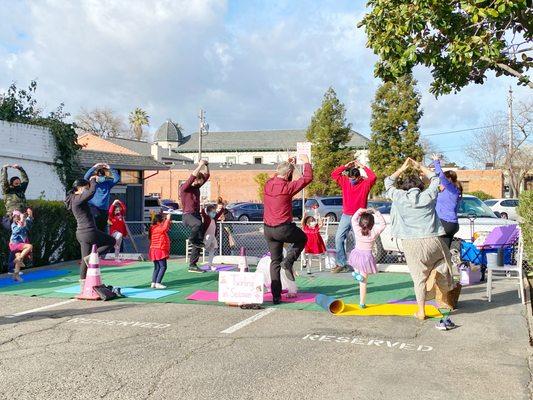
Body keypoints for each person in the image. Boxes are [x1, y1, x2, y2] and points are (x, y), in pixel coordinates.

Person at [385, 158, 453, 320]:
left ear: (404, 187)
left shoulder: (399, 197)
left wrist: (401, 169)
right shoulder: (428, 195)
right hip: (432, 239)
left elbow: (388, 182)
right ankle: (439, 273)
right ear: (420, 186)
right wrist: (419, 166)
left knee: (418, 279)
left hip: (410, 243)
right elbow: (436, 178)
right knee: (445, 260)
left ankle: (421, 311)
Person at [263, 154, 313, 304]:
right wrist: (307, 163)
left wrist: (287, 165)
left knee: (274, 262)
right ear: (289, 174)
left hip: (268, 230)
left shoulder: (268, 184)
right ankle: (289, 261)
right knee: (303, 238)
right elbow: (307, 179)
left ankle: (276, 296)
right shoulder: (288, 187)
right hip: (283, 228)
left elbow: (276, 176)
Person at [65, 177, 116, 284]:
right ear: (80, 188)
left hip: (81, 233)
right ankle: (92, 256)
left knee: (84, 259)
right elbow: (92, 192)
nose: (87, 190)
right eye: (86, 188)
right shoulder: (78, 198)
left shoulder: (73, 199)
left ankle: (83, 284)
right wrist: (93, 180)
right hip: (89, 231)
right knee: (112, 241)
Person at [331, 159, 376, 273]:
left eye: (353, 179)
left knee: (359, 241)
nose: (351, 181)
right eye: (350, 178)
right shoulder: (345, 182)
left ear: (359, 177)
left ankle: (358, 264)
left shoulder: (365, 183)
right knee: (338, 238)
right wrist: (345, 166)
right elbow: (334, 174)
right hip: (346, 215)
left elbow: (373, 177)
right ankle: (342, 263)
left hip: (359, 217)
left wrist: (362, 166)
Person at [348, 208, 386, 308]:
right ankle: (362, 303)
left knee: (355, 265)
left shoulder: (357, 230)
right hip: (366, 258)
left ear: (361, 223)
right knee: (363, 283)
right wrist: (376, 211)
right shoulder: (374, 233)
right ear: (372, 224)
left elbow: (353, 219)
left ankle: (356, 273)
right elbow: (383, 224)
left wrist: (360, 210)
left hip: (356, 255)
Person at [180, 160, 210, 273]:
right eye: (198, 181)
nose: (199, 184)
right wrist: (200, 165)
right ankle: (192, 239)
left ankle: (192, 264)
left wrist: (206, 165)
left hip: (196, 215)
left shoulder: (196, 187)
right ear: (196, 179)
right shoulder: (184, 188)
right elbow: (192, 177)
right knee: (198, 225)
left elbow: (207, 176)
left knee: (199, 240)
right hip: (188, 216)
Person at [430, 154, 462, 249]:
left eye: (441, 182)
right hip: (450, 224)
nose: (439, 183)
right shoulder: (451, 191)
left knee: (437, 250)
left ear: (447, 181)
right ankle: (447, 263)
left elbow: (441, 176)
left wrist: (436, 162)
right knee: (445, 251)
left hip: (445, 223)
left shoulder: (451, 189)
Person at [83, 163, 120, 232]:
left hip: (104, 210)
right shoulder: (92, 183)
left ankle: (102, 241)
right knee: (94, 226)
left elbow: (117, 178)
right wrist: (94, 167)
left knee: (103, 228)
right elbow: (85, 178)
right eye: (99, 176)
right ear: (96, 176)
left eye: (102, 176)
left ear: (104, 176)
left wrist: (109, 168)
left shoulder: (107, 183)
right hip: (93, 207)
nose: (101, 177)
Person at [1, 164, 29, 230]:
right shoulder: (7, 191)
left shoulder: (21, 190)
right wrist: (4, 169)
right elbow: (3, 181)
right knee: (16, 233)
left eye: (19, 183)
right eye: (16, 184)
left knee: (23, 235)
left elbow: (25, 180)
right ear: (12, 184)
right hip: (13, 217)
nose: (18, 185)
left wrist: (20, 168)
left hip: (23, 216)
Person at [9, 209, 34, 282]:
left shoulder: (23, 223)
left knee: (19, 259)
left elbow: (29, 222)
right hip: (14, 244)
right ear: (14, 218)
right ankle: (18, 259)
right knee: (29, 246)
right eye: (16, 217)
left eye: (18, 217)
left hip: (20, 244)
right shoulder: (14, 225)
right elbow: (16, 231)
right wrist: (22, 221)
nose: (17, 218)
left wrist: (30, 215)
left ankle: (16, 276)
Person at [149, 212, 171, 289]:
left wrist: (166, 220)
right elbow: (164, 228)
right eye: (162, 221)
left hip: (154, 250)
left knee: (157, 267)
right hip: (159, 250)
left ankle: (153, 282)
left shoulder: (153, 228)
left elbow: (166, 227)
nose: (163, 222)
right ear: (159, 222)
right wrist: (167, 219)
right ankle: (158, 283)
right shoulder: (158, 228)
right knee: (163, 267)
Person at [201, 203, 225, 270]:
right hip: (207, 236)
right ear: (208, 212)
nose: (214, 214)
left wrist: (223, 208)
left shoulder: (215, 219)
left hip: (213, 237)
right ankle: (203, 245)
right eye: (212, 212)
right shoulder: (207, 218)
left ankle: (210, 264)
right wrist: (202, 207)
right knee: (209, 237)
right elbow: (203, 213)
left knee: (212, 250)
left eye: (215, 212)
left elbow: (219, 213)